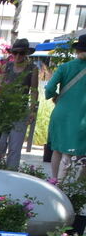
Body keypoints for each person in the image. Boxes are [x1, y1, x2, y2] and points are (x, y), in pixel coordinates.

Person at [45, 34, 86, 183]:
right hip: (82, 116)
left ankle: (56, 182)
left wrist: (55, 96)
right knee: (79, 153)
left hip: (62, 112)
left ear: (77, 50)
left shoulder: (65, 67)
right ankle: (77, 186)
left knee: (58, 149)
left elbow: (49, 88)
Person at [0, 38, 39, 170]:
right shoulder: (7, 66)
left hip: (20, 111)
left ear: (26, 53)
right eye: (15, 53)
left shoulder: (32, 68)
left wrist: (32, 110)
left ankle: (11, 173)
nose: (18, 56)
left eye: (21, 53)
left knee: (15, 147)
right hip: (4, 110)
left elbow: (34, 90)